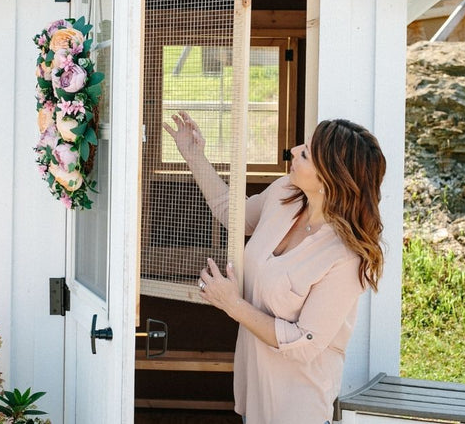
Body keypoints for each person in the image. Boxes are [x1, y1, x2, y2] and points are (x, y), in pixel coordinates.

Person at [163, 111, 387, 424]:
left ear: (329, 178)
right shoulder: (286, 193)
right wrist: (193, 154)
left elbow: (304, 342)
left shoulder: (347, 256)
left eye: (306, 153)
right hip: (253, 392)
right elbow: (233, 212)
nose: (294, 150)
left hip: (298, 407)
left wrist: (233, 304)